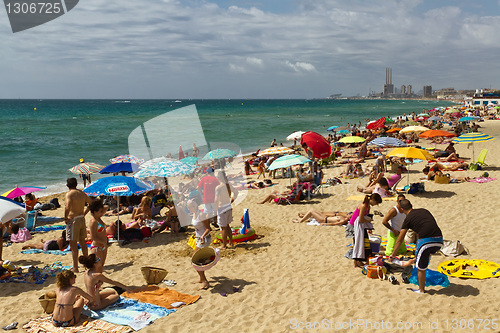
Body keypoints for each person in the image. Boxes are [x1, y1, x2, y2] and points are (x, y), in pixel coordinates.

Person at [389, 199, 443, 294]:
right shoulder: (424, 210)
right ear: (411, 205)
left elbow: (399, 239)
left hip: (427, 242)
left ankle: (421, 290)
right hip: (439, 240)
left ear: (401, 209)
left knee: (420, 268)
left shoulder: (408, 219)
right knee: (421, 257)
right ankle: (413, 262)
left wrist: (393, 255)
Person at [65, 177, 92, 273]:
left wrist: (65, 217)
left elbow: (67, 207)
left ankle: (75, 267)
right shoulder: (82, 193)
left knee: (73, 245)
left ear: (67, 185)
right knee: (83, 243)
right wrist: (84, 213)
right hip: (81, 218)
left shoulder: (69, 194)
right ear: (76, 184)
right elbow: (91, 203)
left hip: (73, 220)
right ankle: (86, 264)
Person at [351, 194, 382, 268]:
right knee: (357, 243)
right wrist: (368, 220)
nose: (376, 205)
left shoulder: (368, 206)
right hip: (354, 225)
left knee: (362, 243)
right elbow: (361, 219)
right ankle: (355, 262)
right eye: (376, 203)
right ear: (373, 200)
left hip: (361, 226)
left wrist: (369, 227)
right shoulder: (364, 206)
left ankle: (359, 261)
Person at [188, 199, 212, 289]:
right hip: (199, 238)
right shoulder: (194, 214)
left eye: (189, 207)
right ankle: (202, 279)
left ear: (194, 206)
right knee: (196, 260)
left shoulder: (201, 215)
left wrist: (202, 236)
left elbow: (208, 228)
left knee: (196, 260)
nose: (188, 208)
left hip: (204, 239)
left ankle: (205, 281)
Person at [215, 171, 238, 249]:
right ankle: (231, 242)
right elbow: (236, 192)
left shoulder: (218, 187)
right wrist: (232, 200)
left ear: (218, 178)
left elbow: (216, 200)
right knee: (227, 226)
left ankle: (224, 245)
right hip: (228, 206)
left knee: (223, 227)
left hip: (222, 208)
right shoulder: (228, 185)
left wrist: (215, 208)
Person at [88, 199, 108, 273]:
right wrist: (103, 242)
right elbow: (92, 237)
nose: (102, 212)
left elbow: (107, 207)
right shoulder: (93, 222)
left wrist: (100, 206)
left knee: (101, 267)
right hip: (97, 247)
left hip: (103, 245)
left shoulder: (98, 218)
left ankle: (98, 284)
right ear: (95, 212)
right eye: (100, 211)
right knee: (97, 269)